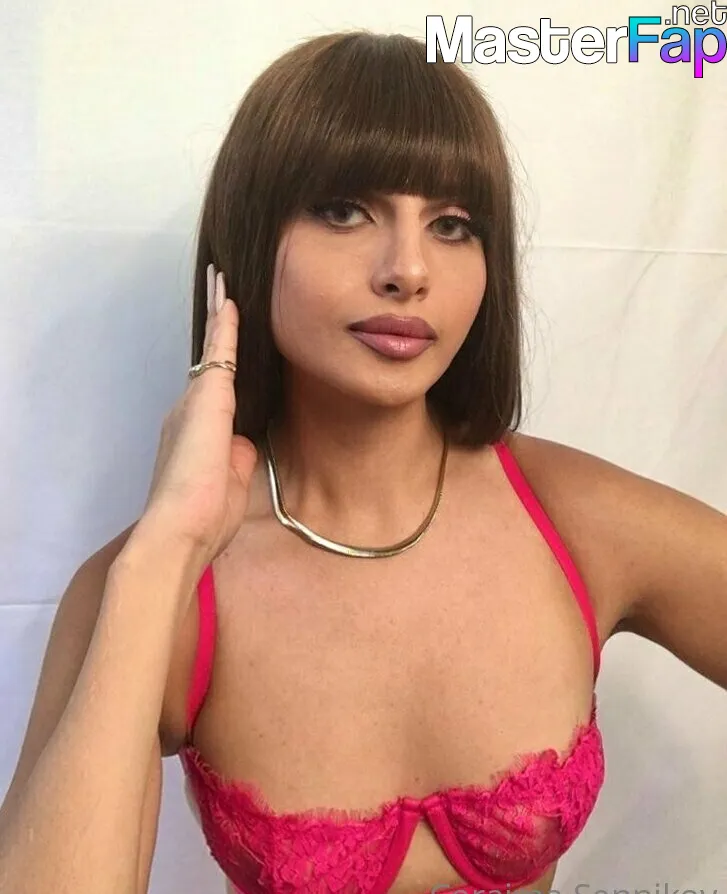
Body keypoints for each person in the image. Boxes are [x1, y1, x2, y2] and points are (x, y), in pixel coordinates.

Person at [1, 28, 726, 894]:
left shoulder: (578, 521)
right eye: (344, 211)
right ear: (244, 244)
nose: (408, 270)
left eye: (451, 225)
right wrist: (167, 549)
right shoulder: (153, 584)